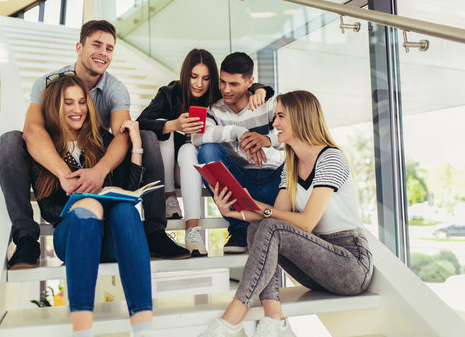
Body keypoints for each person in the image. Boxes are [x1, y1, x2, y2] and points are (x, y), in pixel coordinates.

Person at [0, 20, 189, 270]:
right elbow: (32, 131)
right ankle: (25, 237)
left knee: (147, 138)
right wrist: (64, 174)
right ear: (79, 47)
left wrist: (99, 173)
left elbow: (122, 135)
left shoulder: (115, 89)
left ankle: (154, 231)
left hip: (92, 154)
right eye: (96, 45)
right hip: (53, 158)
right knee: (10, 141)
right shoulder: (46, 84)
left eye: (109, 48)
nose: (103, 53)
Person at [199, 90, 374, 337]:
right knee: (258, 227)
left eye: (280, 116)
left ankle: (231, 320)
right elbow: (275, 215)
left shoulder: (330, 158)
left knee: (270, 226)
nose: (274, 123)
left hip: (350, 266)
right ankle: (274, 319)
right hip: (316, 264)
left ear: (300, 118)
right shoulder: (290, 166)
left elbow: (306, 223)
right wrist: (234, 212)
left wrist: (261, 207)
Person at [24, 74, 153, 336]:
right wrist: (80, 201)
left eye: (82, 102)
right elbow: (48, 208)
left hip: (113, 235)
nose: (77, 109)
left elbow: (127, 188)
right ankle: (82, 331)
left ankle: (143, 328)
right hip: (71, 234)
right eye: (68, 103)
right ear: (54, 107)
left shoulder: (101, 140)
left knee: (126, 209)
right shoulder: (45, 147)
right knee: (90, 208)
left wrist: (136, 145)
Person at [137, 49, 273, 256]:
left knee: (190, 148)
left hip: (199, 164)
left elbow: (244, 87)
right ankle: (169, 197)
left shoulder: (220, 96)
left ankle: (192, 230)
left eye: (206, 78)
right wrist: (174, 124)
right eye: (194, 76)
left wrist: (260, 89)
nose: (199, 84)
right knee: (165, 128)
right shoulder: (169, 93)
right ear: (185, 75)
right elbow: (140, 123)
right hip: (171, 168)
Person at [192, 52, 283, 254]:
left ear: (250, 82)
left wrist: (267, 140)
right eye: (223, 82)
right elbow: (196, 138)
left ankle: (276, 224)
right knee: (207, 151)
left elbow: (298, 135)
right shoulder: (213, 110)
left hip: (273, 180)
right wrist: (235, 132)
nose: (226, 89)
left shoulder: (269, 104)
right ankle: (239, 228)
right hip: (239, 182)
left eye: (233, 84)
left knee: (298, 155)